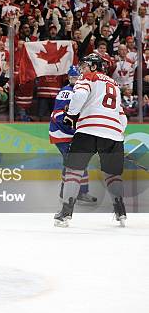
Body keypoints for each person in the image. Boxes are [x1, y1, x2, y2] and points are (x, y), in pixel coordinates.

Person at [54, 54, 128, 227]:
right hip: (114, 134)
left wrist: (71, 115)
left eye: (85, 65)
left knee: (74, 170)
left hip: (88, 129)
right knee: (112, 174)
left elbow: (79, 96)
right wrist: (115, 134)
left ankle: (65, 213)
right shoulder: (114, 84)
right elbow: (122, 118)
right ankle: (121, 213)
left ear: (94, 67)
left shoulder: (88, 77)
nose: (82, 69)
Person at [48, 66, 97, 205]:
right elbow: (58, 115)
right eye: (73, 77)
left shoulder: (82, 92)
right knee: (72, 162)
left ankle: (81, 192)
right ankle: (66, 193)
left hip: (71, 134)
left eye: (78, 77)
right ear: (69, 78)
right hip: (62, 134)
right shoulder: (66, 92)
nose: (76, 80)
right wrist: (74, 127)